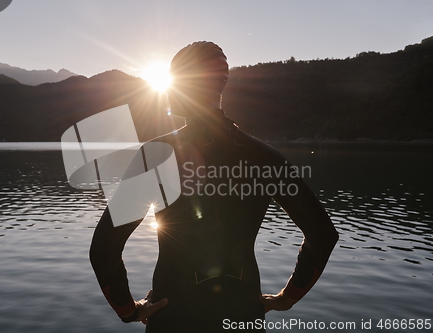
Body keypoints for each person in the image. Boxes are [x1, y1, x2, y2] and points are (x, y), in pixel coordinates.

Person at [89, 41, 338, 332]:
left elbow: (104, 248)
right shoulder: (265, 157)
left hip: (174, 317)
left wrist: (129, 310)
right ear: (220, 85)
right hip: (242, 315)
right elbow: (322, 235)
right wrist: (287, 298)